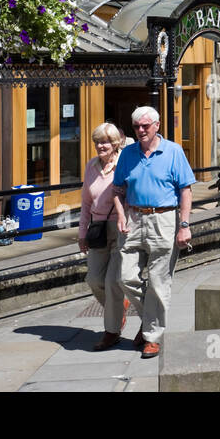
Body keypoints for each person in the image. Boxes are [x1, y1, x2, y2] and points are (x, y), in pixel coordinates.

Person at [112, 106, 194, 359]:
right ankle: (150, 319)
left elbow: (186, 190)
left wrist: (184, 225)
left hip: (164, 219)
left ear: (157, 125)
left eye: (146, 125)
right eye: (136, 126)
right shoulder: (128, 153)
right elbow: (117, 190)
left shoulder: (173, 151)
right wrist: (120, 214)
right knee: (124, 278)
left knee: (159, 282)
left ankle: (152, 337)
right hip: (134, 218)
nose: (141, 130)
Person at [82, 122, 129, 351]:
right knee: (94, 280)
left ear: (115, 144)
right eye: (97, 141)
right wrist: (82, 234)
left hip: (120, 228)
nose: (101, 145)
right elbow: (86, 203)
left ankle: (111, 332)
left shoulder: (124, 164)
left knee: (112, 282)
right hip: (97, 229)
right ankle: (117, 310)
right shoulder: (91, 166)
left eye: (105, 142)